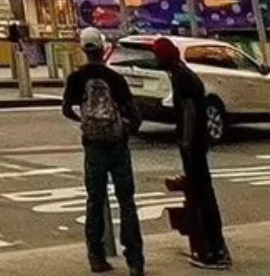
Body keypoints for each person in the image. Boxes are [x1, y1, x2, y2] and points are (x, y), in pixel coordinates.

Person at [62, 27, 145, 276]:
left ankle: (96, 257)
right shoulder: (115, 79)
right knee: (127, 201)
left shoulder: (76, 79)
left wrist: (85, 122)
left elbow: (66, 109)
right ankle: (135, 260)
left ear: (83, 49)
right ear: (102, 48)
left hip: (93, 146)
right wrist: (124, 128)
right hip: (117, 145)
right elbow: (134, 114)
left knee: (95, 200)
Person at [154, 36, 230, 270]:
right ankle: (214, 248)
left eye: (157, 55)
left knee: (201, 197)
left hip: (194, 147)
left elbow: (189, 114)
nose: (155, 60)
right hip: (196, 145)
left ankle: (213, 251)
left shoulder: (182, 77)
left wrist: (186, 144)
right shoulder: (182, 73)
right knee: (202, 196)